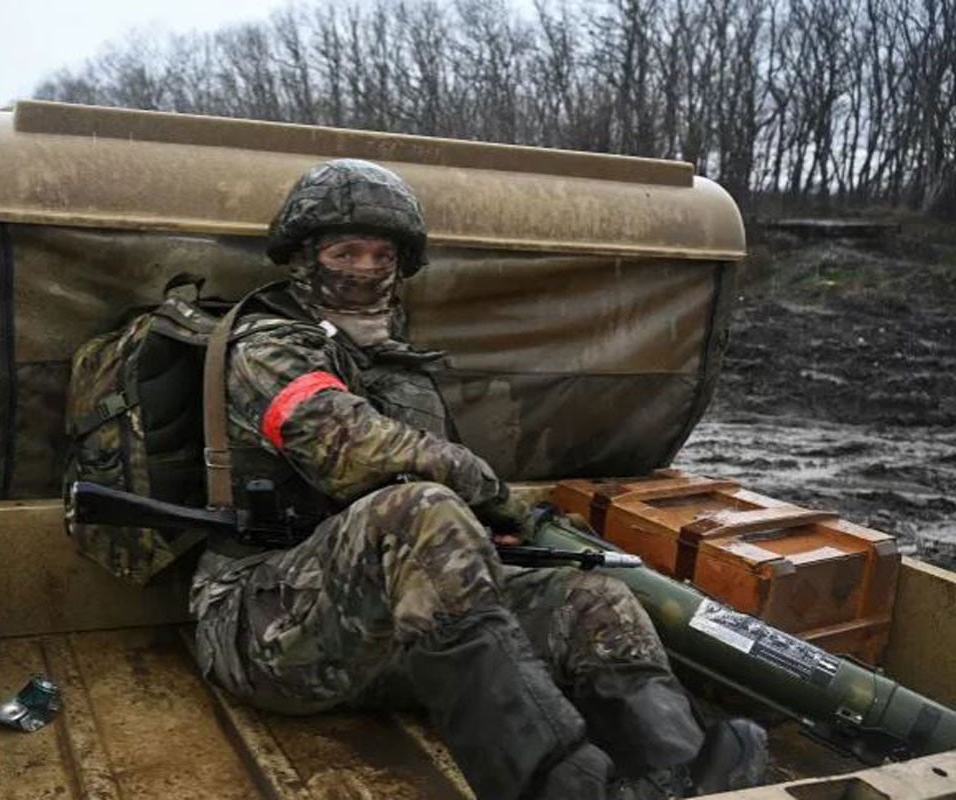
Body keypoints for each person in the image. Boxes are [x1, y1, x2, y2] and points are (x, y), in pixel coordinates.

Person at [189, 158, 767, 799]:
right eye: (344, 251)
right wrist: (478, 487)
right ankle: (560, 790)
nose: (363, 269)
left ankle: (678, 773)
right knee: (421, 511)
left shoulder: (395, 364)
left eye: (381, 255)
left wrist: (496, 532)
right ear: (303, 256)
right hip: (266, 627)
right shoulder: (266, 345)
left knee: (589, 597)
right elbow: (346, 449)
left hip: (388, 634)